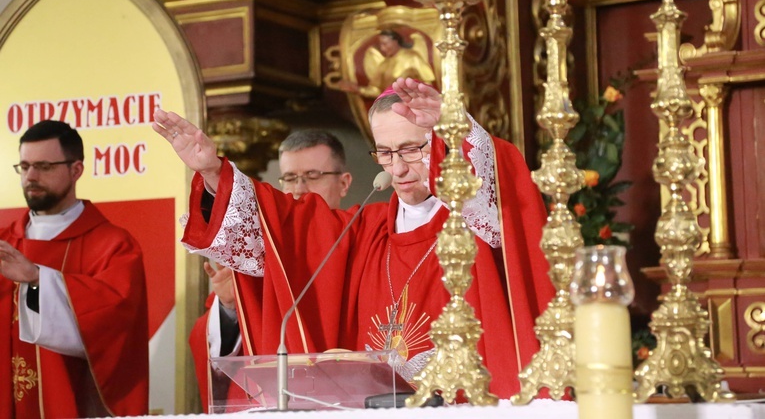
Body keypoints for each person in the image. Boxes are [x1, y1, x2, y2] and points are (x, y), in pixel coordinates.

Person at [154, 77, 553, 399]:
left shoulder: (476, 221)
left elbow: (507, 197)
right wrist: (213, 174)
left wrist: (460, 126)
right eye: (385, 152)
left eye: (412, 149)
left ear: (442, 145)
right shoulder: (362, 231)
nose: (398, 168)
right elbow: (286, 233)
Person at [188, 129, 353, 410]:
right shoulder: (258, 247)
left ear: (344, 183)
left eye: (312, 176)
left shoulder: (362, 236)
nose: (299, 189)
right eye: (289, 178)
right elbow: (211, 351)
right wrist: (229, 307)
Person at [0, 120, 149, 418]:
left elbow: (117, 333)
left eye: (43, 166)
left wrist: (38, 278)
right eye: (25, 166)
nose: (31, 177)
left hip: (76, 408)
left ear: (76, 170)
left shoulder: (113, 245)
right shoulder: (5, 243)